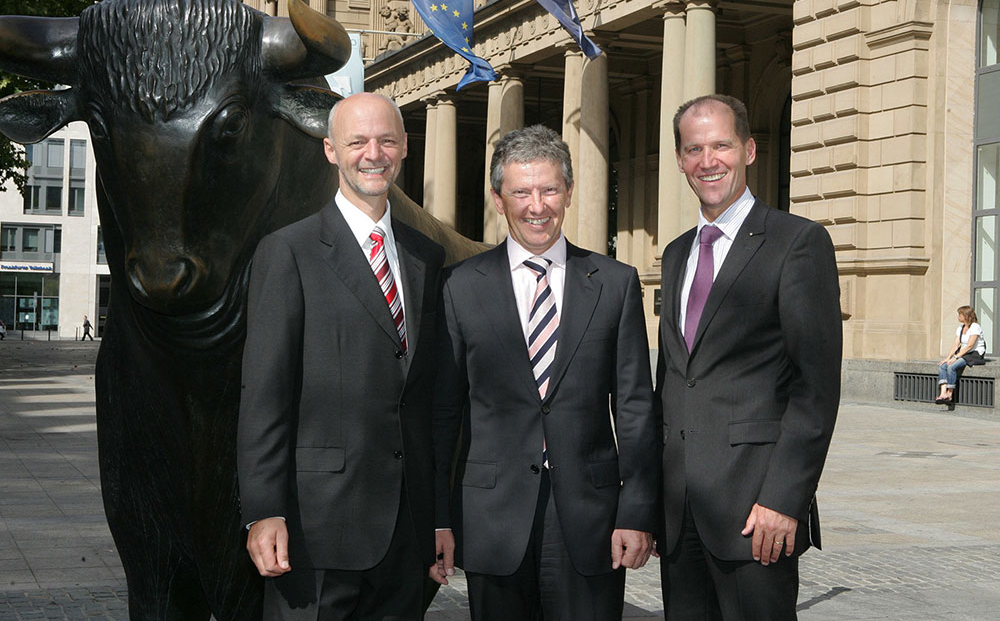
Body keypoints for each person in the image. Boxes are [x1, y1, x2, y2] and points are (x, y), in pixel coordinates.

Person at [431, 124, 660, 621]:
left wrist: (638, 512)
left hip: (590, 517)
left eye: (550, 189)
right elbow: (444, 413)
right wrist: (437, 519)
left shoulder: (615, 283)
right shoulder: (459, 286)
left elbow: (635, 408)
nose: (537, 206)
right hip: (492, 517)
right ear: (499, 199)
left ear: (569, 192)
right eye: (521, 192)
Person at [237, 92, 445, 620]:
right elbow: (264, 395)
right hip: (316, 533)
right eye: (357, 142)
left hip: (406, 534)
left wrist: (440, 515)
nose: (373, 154)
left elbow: (428, 400)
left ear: (404, 148)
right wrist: (263, 511)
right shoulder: (288, 252)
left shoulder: (426, 257)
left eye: (386, 141)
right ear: (331, 150)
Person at [655, 94, 842, 620]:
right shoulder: (676, 253)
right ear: (680, 160)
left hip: (756, 512)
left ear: (750, 150)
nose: (708, 161)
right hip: (680, 514)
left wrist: (785, 499)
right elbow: (672, 380)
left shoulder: (797, 242)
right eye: (694, 149)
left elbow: (815, 389)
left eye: (721, 145)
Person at [936, 305, 987, 404]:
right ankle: (943, 393)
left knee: (951, 367)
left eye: (960, 314)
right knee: (943, 366)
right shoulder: (960, 327)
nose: (958, 316)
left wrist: (955, 358)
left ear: (967, 316)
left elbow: (970, 346)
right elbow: (956, 344)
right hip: (963, 353)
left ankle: (949, 394)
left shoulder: (975, 327)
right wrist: (948, 358)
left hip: (974, 354)